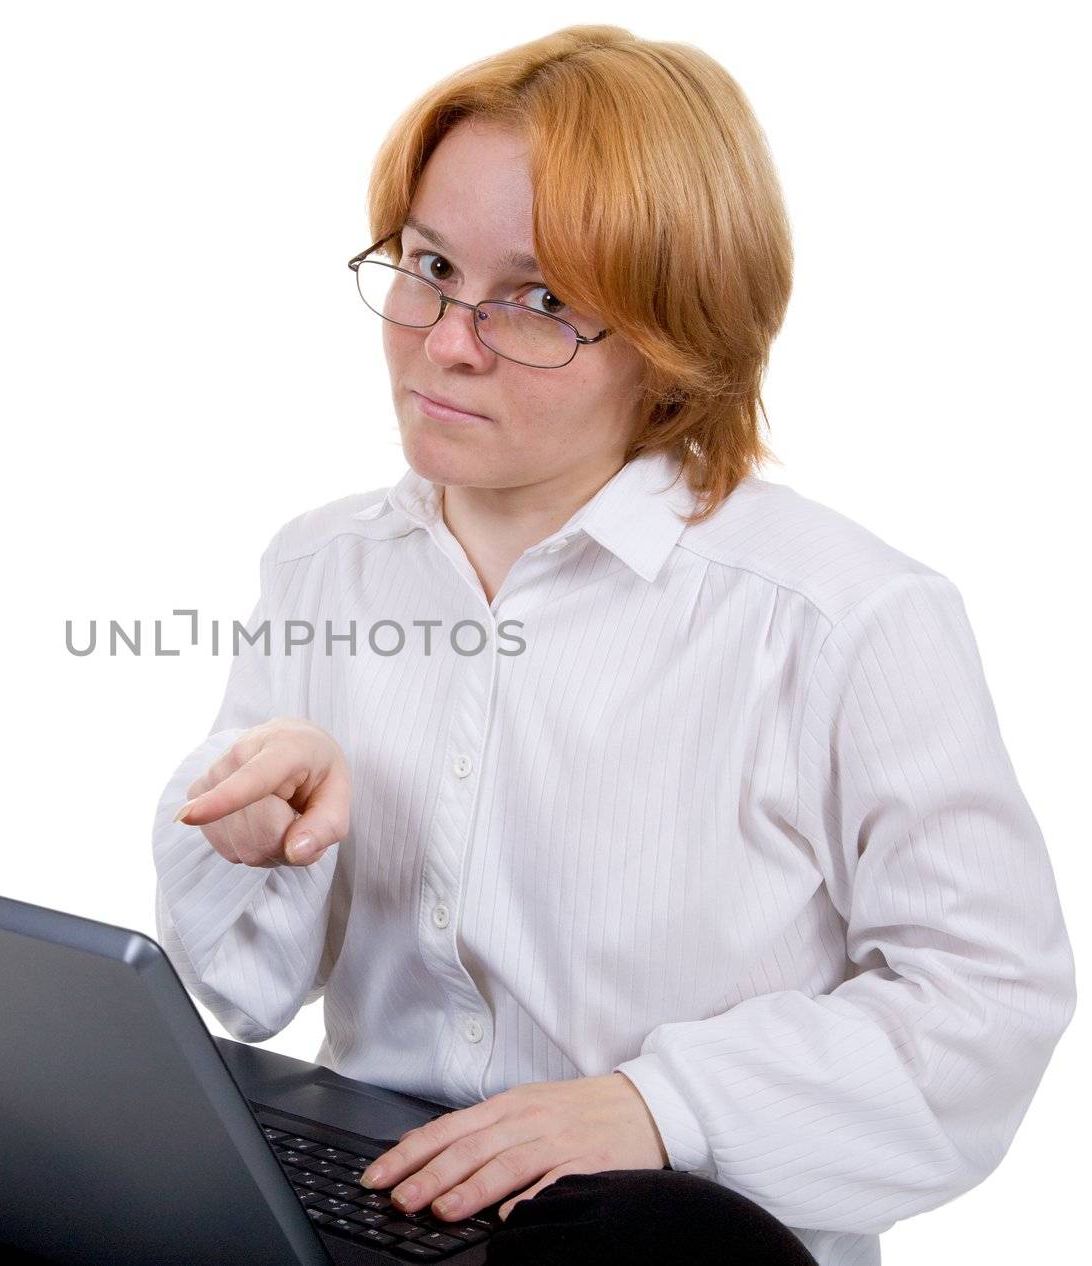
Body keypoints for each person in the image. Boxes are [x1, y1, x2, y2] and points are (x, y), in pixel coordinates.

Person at [150, 22, 1076, 1266]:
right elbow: (245, 992)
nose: (448, 340)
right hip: (379, 1197)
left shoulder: (841, 617)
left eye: (539, 300)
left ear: (678, 335)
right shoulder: (324, 566)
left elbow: (987, 1006)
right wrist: (257, 843)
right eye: (428, 264)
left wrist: (659, 1106)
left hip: (665, 1243)